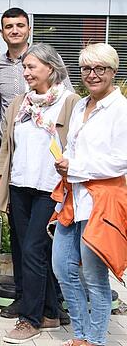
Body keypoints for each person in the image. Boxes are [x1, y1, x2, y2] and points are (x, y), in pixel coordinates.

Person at [0, 8, 73, 321]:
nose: (14, 30)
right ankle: (39, 305)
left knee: (41, 246)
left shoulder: (64, 96)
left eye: (19, 25)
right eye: (8, 26)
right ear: (1, 32)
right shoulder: (3, 74)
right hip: (18, 171)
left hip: (49, 180)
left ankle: (41, 310)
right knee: (24, 244)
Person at [0, 43, 80, 343]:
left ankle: (28, 319)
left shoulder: (70, 103)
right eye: (25, 67)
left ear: (51, 68)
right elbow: (8, 146)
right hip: (20, 185)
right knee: (26, 251)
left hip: (51, 189)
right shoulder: (20, 102)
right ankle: (49, 313)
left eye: (32, 67)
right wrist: (1, 179)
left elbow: (78, 143)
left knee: (34, 249)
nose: (26, 72)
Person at [52, 43, 127, 346]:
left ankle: (94, 339)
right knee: (62, 267)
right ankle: (82, 334)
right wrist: (64, 161)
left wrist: (76, 167)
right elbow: (73, 147)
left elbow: (121, 159)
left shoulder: (120, 110)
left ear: (113, 71)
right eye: (86, 69)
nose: (93, 75)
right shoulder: (81, 106)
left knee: (94, 278)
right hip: (74, 199)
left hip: (102, 201)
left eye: (100, 69)